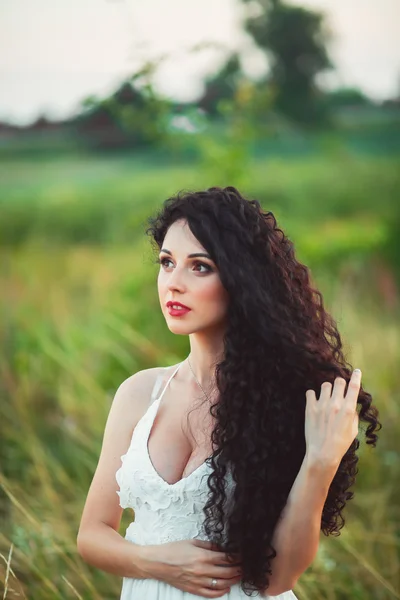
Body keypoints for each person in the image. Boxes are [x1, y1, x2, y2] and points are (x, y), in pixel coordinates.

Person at [77, 186, 381, 599]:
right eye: (167, 263)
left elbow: (279, 578)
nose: (174, 284)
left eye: (199, 267)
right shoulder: (140, 393)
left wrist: (320, 462)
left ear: (240, 279)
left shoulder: (282, 399)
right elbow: (92, 534)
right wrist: (160, 562)